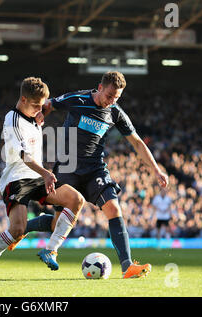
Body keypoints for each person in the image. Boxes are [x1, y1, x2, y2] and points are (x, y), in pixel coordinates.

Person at [17, 71, 169, 279]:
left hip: (94, 170)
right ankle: (23, 227)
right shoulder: (77, 99)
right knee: (56, 225)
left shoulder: (115, 112)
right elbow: (48, 103)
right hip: (68, 168)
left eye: (117, 97)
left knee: (114, 208)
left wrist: (156, 169)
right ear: (99, 88)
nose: (112, 101)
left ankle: (127, 266)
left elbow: (137, 142)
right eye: (109, 95)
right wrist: (42, 113)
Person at [0, 77, 85, 281]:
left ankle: (51, 250)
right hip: (17, 179)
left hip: (36, 176)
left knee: (76, 200)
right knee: (17, 229)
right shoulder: (12, 119)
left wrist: (42, 112)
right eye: (37, 105)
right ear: (23, 99)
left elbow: (46, 106)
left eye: (42, 106)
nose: (41, 109)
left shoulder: (34, 118)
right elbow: (23, 155)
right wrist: (46, 173)